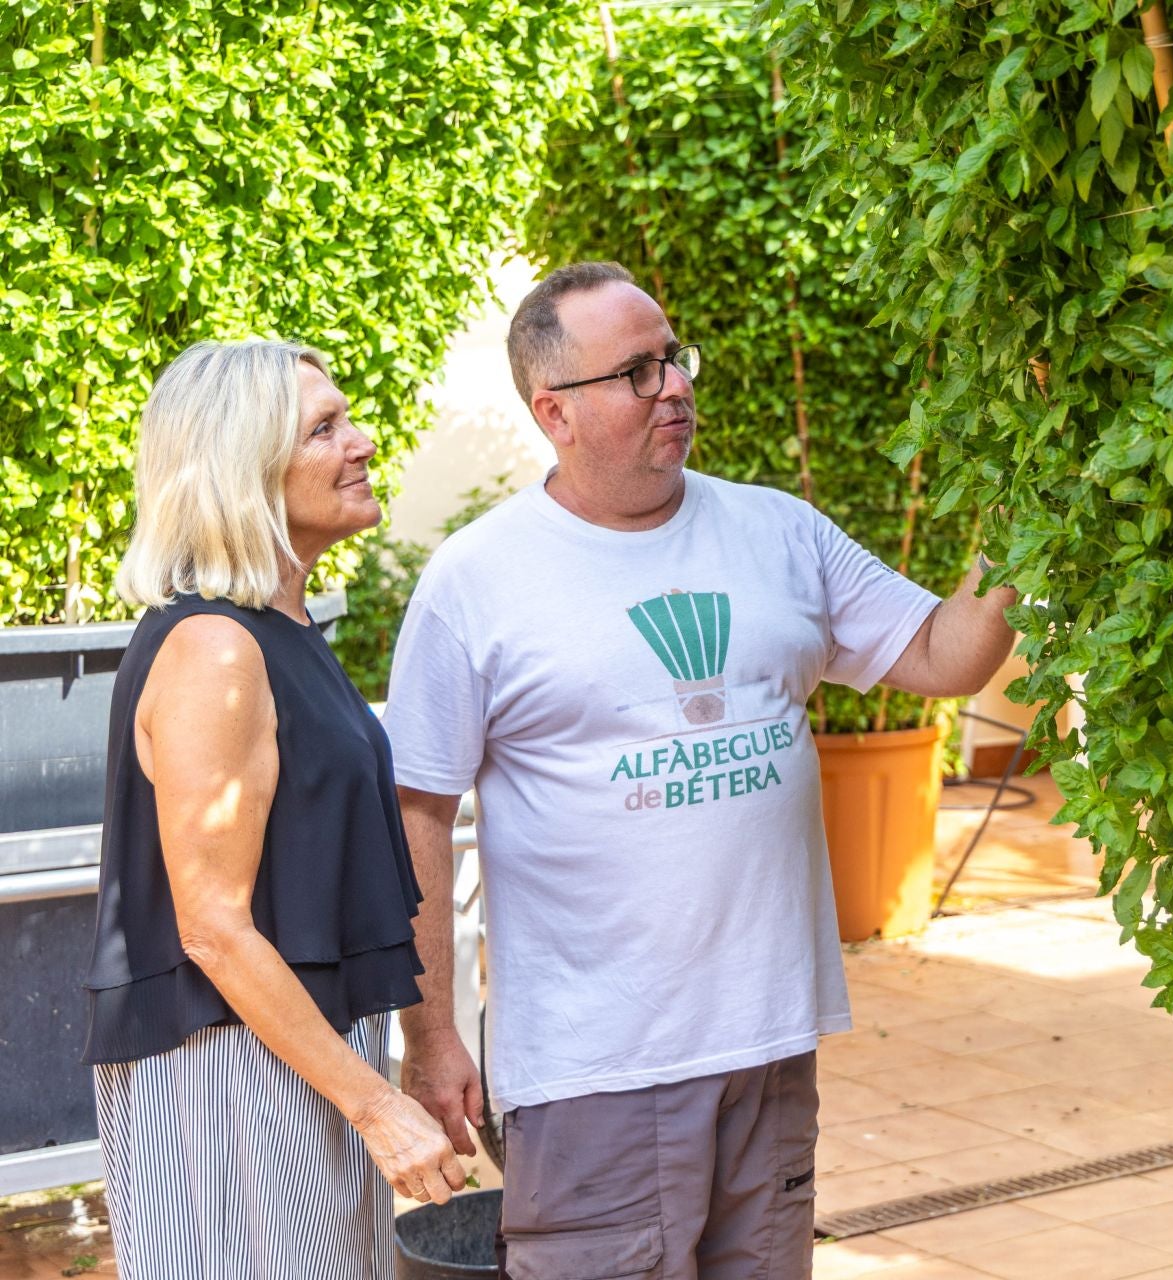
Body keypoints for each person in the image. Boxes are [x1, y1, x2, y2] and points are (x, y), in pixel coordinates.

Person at [382, 261, 1018, 1277]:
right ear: (557, 410)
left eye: (674, 358)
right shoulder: (478, 579)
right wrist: (432, 1035)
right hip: (597, 1072)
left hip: (768, 1046)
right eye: (637, 371)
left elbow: (944, 652)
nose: (675, 385)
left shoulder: (778, 530)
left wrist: (1027, 524)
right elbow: (415, 810)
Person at [83, 340, 468, 1279]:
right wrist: (376, 1106)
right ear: (243, 473)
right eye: (325, 429)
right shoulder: (215, 646)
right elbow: (213, 927)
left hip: (300, 1047)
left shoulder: (281, 626)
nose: (363, 442)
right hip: (228, 1066)